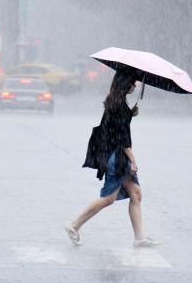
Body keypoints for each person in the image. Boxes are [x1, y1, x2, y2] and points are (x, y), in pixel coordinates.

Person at [65, 70, 160, 248]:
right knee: (108, 198)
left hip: (114, 153)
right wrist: (133, 160)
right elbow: (122, 139)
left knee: (136, 194)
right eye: (133, 83)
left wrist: (131, 114)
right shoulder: (119, 107)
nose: (135, 85)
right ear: (126, 84)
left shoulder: (116, 103)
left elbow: (116, 127)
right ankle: (74, 225)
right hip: (117, 157)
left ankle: (140, 238)